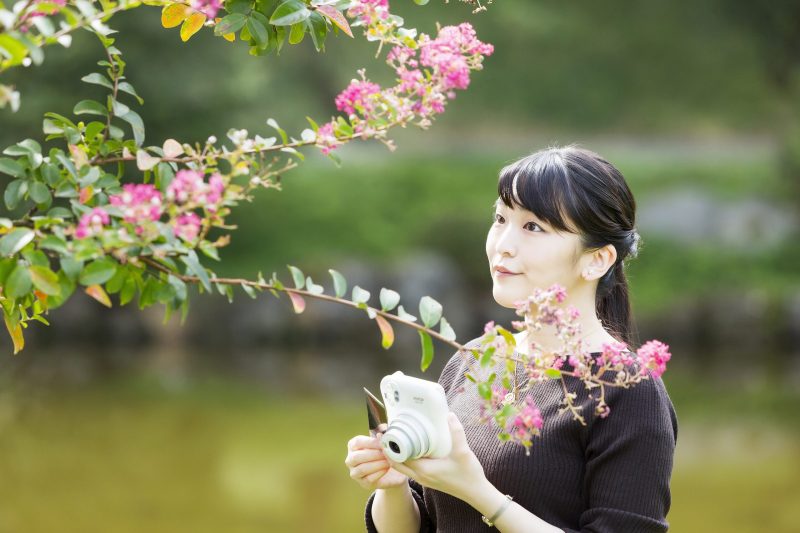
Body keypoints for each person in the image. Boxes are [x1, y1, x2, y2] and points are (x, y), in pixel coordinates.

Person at [344, 145, 678, 532]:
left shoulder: (626, 390)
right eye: (501, 219)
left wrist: (478, 492)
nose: (503, 243)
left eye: (533, 227)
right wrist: (394, 484)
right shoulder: (474, 360)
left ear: (596, 259)